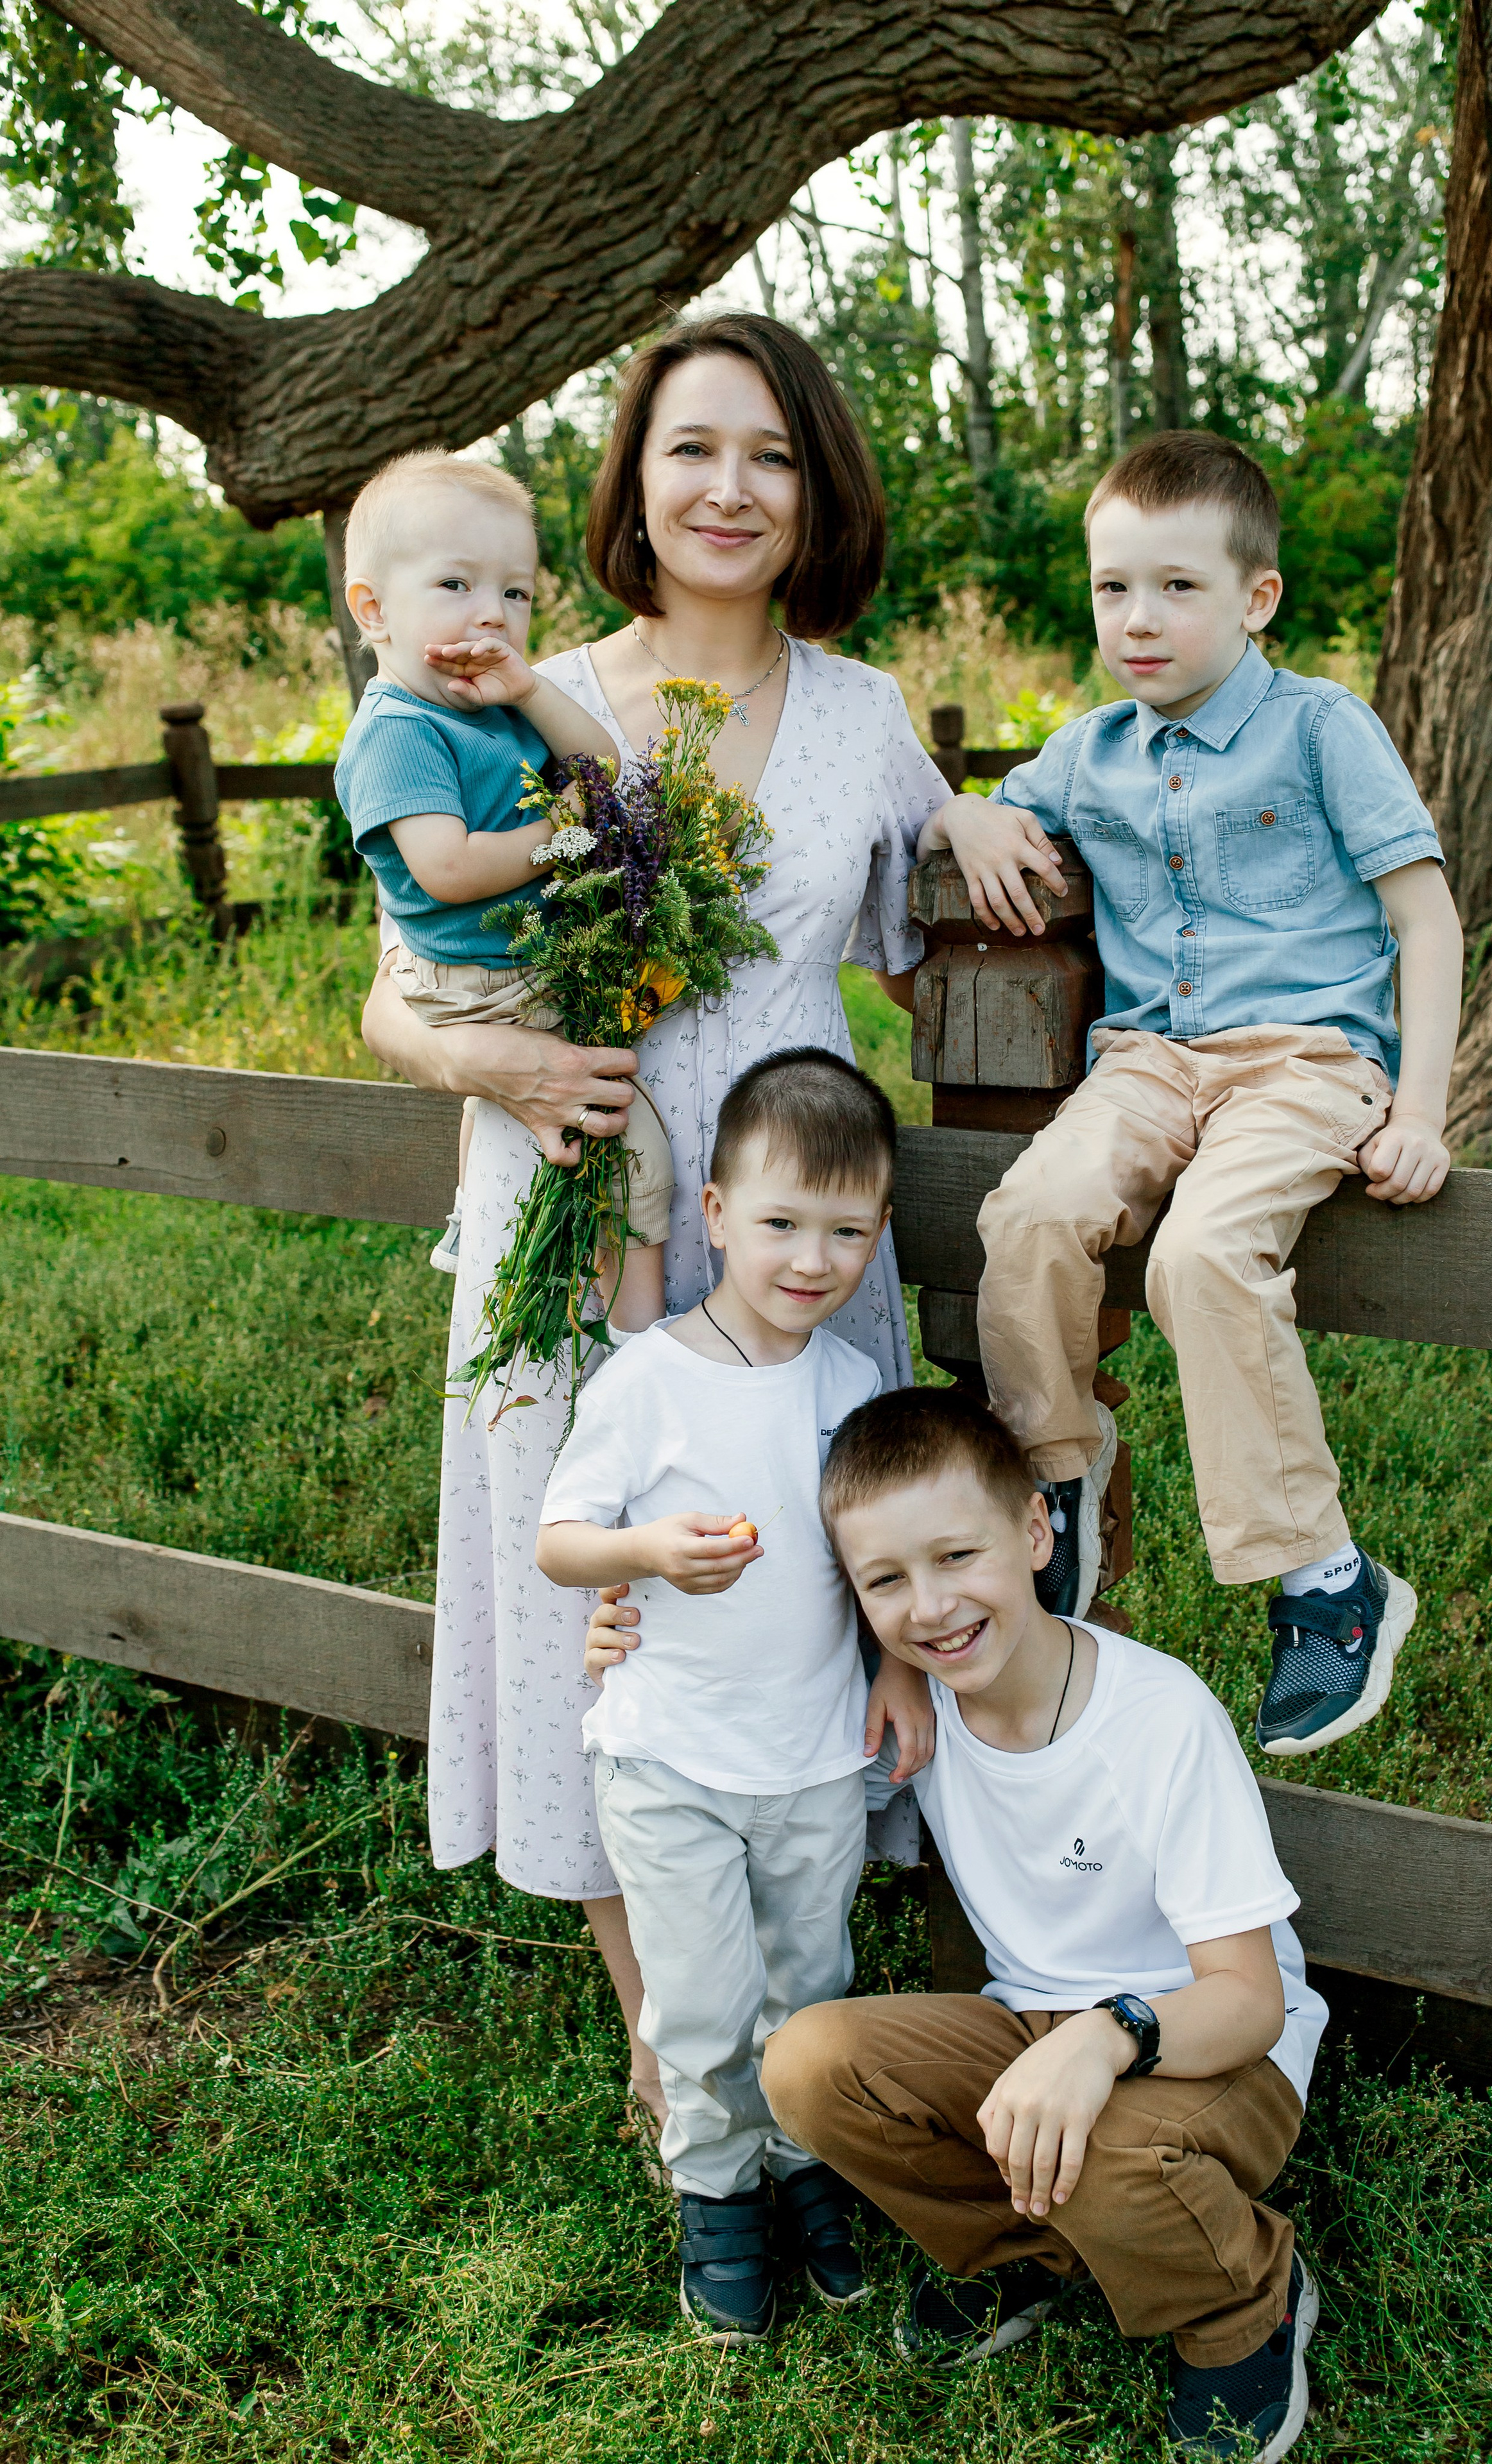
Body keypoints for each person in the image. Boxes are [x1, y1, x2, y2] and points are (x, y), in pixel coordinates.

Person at [359, 314, 947, 2128]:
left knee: (792, 1578)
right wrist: (502, 1070)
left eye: (771, 455)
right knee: (593, 1595)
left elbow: (946, 946)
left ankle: (796, 2012)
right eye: (692, 448)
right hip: (571, 1196)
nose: (729, 489)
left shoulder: (867, 718)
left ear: (815, 490)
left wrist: (1014, 825)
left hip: (797, 1234)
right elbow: (395, 988)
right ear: (634, 481)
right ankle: (666, 2042)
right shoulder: (507, 688)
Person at [915, 431, 1464, 1756]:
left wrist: (1419, 1112)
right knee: (1027, 1215)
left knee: (1202, 1257)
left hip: (1303, 1063)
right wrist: (964, 814)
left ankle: (1325, 1581)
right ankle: (1056, 1479)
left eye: (1176, 587)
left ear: (1255, 598)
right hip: (1150, 1065)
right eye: (1113, 588)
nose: (1138, 620)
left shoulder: (1321, 728)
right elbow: (975, 811)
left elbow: (1427, 919)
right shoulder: (1089, 750)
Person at [764, 1387, 1328, 2463]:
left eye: (957, 1556)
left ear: (1036, 1531)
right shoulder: (915, 1701)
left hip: (1211, 2042)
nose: (932, 1608)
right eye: (887, 1581)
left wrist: (1107, 2036)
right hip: (1029, 2023)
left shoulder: (1158, 1719)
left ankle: (1245, 2299)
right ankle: (1028, 2247)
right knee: (807, 2064)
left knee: (1109, 2148)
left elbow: (1251, 2003)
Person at [551, 1051, 934, 2345]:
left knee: (808, 1987)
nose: (811, 1260)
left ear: (878, 1230)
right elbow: (560, 1541)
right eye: (779, 1223)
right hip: (670, 1760)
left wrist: (895, 1663)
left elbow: (883, 1559)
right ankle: (715, 2192)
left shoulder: (853, 1391)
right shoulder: (646, 1380)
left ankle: (801, 2160)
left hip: (813, 1761)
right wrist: (647, 1554)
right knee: (704, 2002)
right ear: (713, 1214)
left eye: (846, 1232)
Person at [336, 450, 673, 1328]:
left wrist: (531, 689)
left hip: (520, 967)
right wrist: (563, 836)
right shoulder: (399, 730)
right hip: (477, 982)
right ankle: (632, 1324)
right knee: (630, 1141)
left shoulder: (496, 705)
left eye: (515, 593)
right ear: (373, 609)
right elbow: (446, 870)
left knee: (574, 1140)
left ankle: (530, 1258)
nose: (492, 612)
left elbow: (600, 766)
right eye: (456, 584)